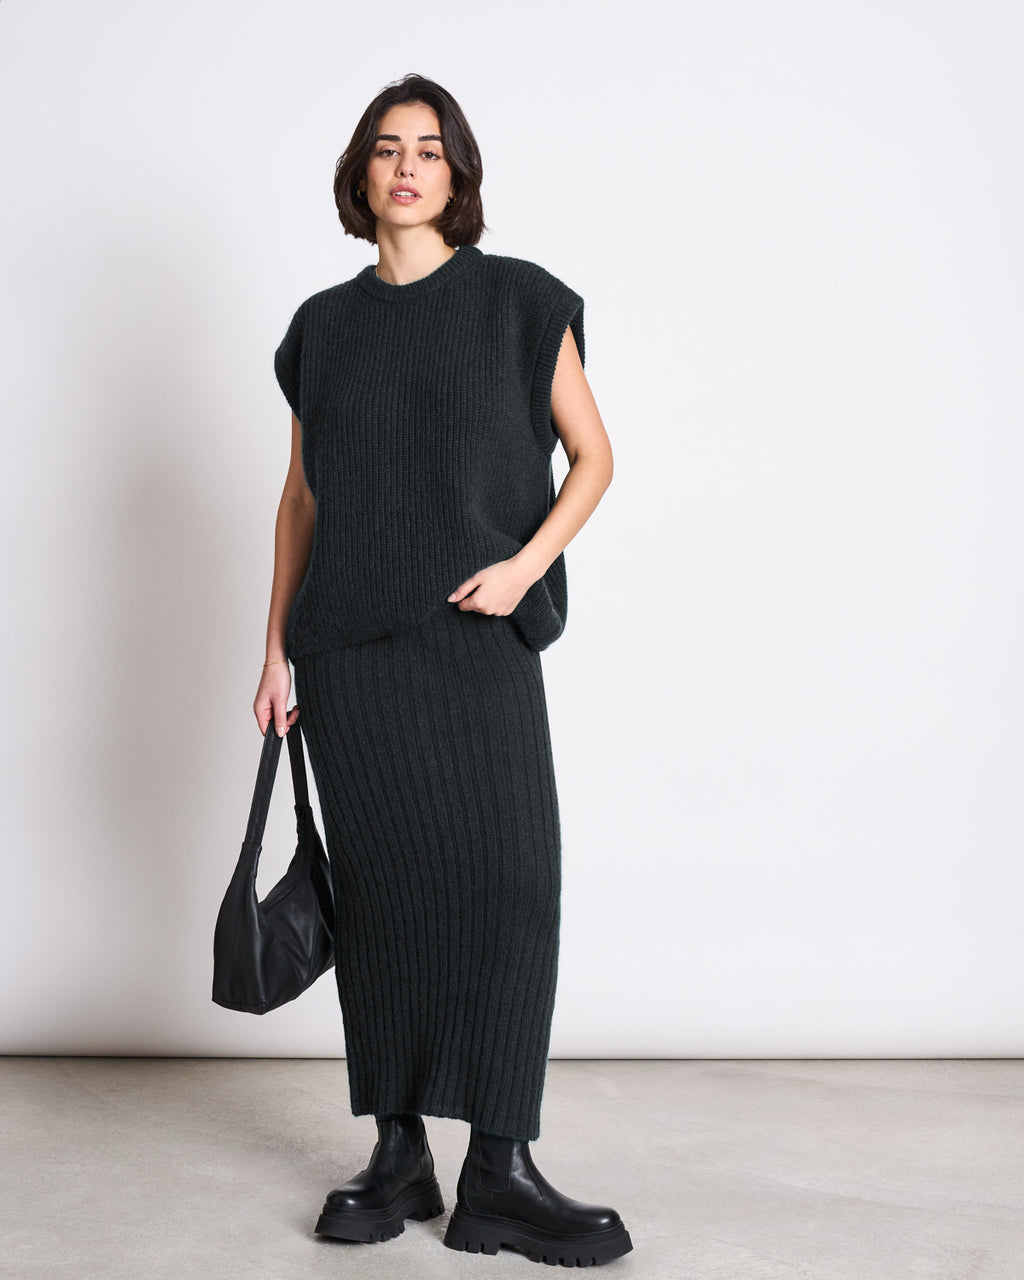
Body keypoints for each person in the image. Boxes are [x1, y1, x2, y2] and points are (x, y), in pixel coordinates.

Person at [253, 72, 631, 1268]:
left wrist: (523, 566)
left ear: (458, 173)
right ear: (360, 177)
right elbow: (301, 498)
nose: (407, 165)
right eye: (385, 148)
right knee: (386, 906)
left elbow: (595, 456)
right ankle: (399, 1149)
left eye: (429, 148)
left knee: (513, 888)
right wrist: (272, 647)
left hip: (476, 642)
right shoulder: (321, 327)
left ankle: (502, 1167)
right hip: (352, 658)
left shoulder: (520, 304)